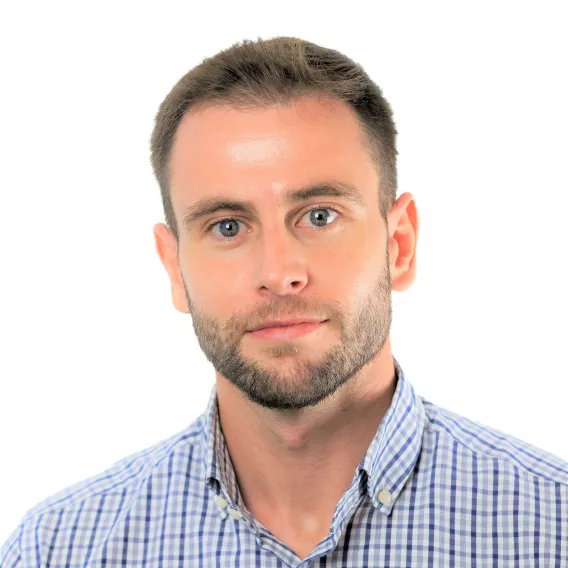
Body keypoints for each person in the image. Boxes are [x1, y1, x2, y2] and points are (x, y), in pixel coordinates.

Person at [1, 36, 566, 568]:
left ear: (399, 245)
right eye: (227, 226)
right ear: (174, 266)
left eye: (319, 216)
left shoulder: (554, 529)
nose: (278, 274)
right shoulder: (56, 551)